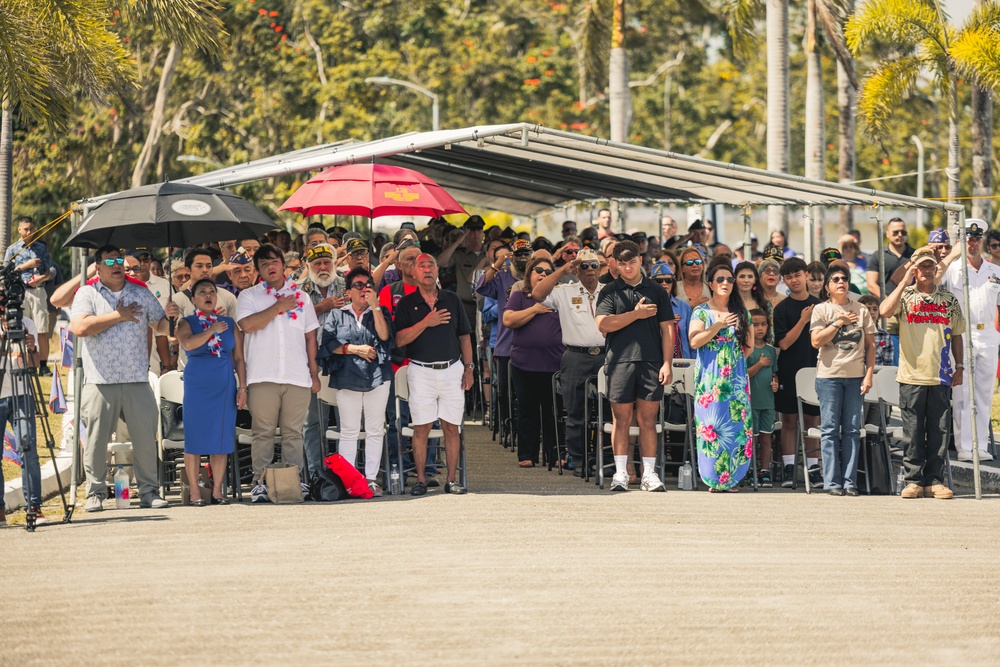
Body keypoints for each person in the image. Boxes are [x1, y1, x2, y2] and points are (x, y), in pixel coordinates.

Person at [70, 245, 179, 512]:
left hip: (136, 378)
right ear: (98, 266)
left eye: (120, 260)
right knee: (96, 442)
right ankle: (95, 492)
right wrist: (117, 316)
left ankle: (148, 492)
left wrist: (171, 317)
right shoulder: (88, 293)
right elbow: (80, 327)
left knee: (144, 438)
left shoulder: (140, 292)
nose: (117, 265)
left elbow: (162, 327)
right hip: (100, 380)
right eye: (110, 261)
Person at [236, 244, 321, 503]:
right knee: (262, 432)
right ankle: (260, 484)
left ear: (283, 264)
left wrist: (314, 373)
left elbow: (310, 337)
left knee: (293, 433)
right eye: (263, 264)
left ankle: (292, 482)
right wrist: (278, 308)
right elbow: (247, 325)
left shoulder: (303, 297)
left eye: (274, 261)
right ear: (259, 271)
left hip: (297, 375)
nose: (270, 266)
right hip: (263, 375)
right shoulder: (249, 296)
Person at [879, 247, 963, 499]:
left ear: (935, 268)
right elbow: (884, 311)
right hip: (911, 375)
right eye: (921, 267)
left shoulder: (948, 300)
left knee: (939, 431)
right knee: (913, 432)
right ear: (914, 269)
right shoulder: (905, 297)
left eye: (930, 266)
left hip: (940, 374)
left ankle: (934, 481)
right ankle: (913, 480)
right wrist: (904, 281)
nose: (926, 271)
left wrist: (959, 367)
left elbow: (957, 334)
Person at [595, 241, 674, 492]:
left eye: (632, 262)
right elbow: (603, 324)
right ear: (615, 264)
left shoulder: (657, 290)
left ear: (641, 260)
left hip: (651, 362)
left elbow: (667, 329)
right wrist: (635, 315)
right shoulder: (609, 290)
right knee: (621, 420)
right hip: (619, 362)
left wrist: (667, 363)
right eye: (622, 263)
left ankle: (649, 474)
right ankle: (620, 474)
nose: (628, 268)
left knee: (648, 420)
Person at [393, 254, 474, 496]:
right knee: (422, 427)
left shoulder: (452, 299)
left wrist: (469, 368)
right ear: (413, 273)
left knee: (452, 427)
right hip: (421, 371)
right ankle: (420, 480)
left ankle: (451, 480)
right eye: (422, 265)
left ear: (438, 271)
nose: (427, 269)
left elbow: (464, 336)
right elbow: (399, 340)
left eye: (431, 265)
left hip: (452, 370)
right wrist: (426, 322)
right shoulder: (406, 304)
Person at [318, 267, 393, 496]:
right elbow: (328, 345)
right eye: (358, 285)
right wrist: (355, 349)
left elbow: (384, 336)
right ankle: (347, 480)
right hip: (347, 377)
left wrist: (375, 307)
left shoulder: (380, 311)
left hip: (378, 377)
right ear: (348, 291)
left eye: (367, 285)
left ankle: (370, 479)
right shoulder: (338, 314)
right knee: (348, 430)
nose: (363, 289)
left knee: (374, 429)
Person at [532, 248, 606, 475]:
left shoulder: (610, 291)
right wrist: (562, 270)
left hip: (606, 355)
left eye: (594, 265)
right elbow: (537, 295)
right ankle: (580, 461)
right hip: (576, 356)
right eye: (584, 266)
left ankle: (608, 461)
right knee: (576, 413)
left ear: (600, 268)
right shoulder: (565, 290)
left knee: (612, 411)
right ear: (577, 270)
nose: (590, 270)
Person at [175, 279, 246, 505]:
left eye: (212, 292)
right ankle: (195, 491)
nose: (208, 295)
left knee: (221, 437)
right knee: (194, 438)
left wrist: (243, 387)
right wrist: (211, 330)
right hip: (197, 385)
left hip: (223, 384)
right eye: (202, 292)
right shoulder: (186, 322)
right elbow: (188, 344)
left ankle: (217, 490)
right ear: (193, 299)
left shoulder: (229, 322)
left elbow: (239, 358)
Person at [810, 264, 875, 496]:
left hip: (855, 377)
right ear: (827, 286)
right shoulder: (821, 310)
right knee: (829, 430)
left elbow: (870, 346)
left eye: (844, 278)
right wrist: (838, 322)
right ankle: (832, 482)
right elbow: (816, 341)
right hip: (828, 377)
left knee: (851, 430)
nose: (841, 282)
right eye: (835, 279)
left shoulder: (861, 310)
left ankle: (850, 482)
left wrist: (868, 374)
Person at [688, 262, 752, 492]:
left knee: (735, 427)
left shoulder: (741, 312)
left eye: (729, 280)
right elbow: (694, 341)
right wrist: (717, 326)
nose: (726, 283)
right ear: (711, 284)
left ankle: (732, 479)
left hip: (735, 379)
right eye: (720, 279)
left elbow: (749, 346)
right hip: (710, 379)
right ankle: (714, 478)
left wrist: (732, 362)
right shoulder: (701, 311)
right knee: (711, 427)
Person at [938, 218, 999, 462]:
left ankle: (980, 444)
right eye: (968, 239)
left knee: (984, 393)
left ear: (982, 240)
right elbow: (934, 279)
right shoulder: (952, 268)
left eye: (976, 239)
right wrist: (952, 255)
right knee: (962, 393)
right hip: (961, 334)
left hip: (988, 334)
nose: (972, 243)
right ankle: (963, 446)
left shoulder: (995, 271)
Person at [502, 256, 565, 468]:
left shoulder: (560, 297)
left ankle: (553, 455)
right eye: (539, 270)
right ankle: (527, 454)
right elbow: (509, 320)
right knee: (527, 410)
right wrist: (535, 309)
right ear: (529, 274)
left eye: (548, 272)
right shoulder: (520, 295)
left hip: (555, 365)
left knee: (552, 413)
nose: (543, 275)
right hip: (524, 364)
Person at [772, 257, 821, 489]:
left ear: (806, 275)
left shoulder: (820, 305)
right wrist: (803, 320)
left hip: (815, 368)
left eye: (797, 275)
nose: (794, 280)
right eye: (789, 277)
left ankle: (814, 467)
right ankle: (789, 467)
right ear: (785, 280)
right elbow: (783, 344)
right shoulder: (781, 308)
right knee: (789, 421)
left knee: (813, 420)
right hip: (790, 369)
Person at [0, 315, 46, 523]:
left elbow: (34, 364)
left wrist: (32, 348)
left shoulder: (25, 323)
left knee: (28, 449)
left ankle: (34, 505)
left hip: (22, 394)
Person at [4, 217, 55, 376]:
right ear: (19, 230)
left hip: (38, 290)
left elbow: (51, 270)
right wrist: (27, 265)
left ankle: (43, 364)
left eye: (31, 229)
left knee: (41, 328)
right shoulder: (13, 249)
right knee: (22, 328)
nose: (29, 232)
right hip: (20, 292)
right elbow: (6, 272)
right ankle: (26, 363)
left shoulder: (41, 248)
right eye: (25, 229)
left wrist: (42, 278)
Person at [746, 309, 778, 487]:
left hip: (768, 402)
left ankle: (764, 470)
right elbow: (744, 375)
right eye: (755, 324)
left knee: (767, 438)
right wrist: (759, 364)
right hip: (751, 402)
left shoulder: (771, 350)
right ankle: (751, 470)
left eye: (763, 324)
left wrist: (775, 383)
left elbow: (774, 374)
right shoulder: (746, 350)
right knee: (753, 438)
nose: (759, 328)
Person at [438, 216, 485, 327]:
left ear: (483, 233)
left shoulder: (488, 254)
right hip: (464, 307)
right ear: (467, 234)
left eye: (479, 230)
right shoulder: (460, 255)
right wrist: (458, 241)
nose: (476, 234)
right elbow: (440, 262)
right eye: (472, 230)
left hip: (484, 307)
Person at [651, 258, 691, 359]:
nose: (664, 283)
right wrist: (664, 320)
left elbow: (691, 340)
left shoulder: (684, 307)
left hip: (683, 362)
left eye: (668, 280)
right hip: (656, 362)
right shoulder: (646, 307)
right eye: (659, 281)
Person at [866, 217, 914, 299]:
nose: (900, 235)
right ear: (887, 234)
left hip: (911, 304)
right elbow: (871, 285)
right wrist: (888, 302)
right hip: (885, 305)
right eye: (895, 232)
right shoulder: (878, 256)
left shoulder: (915, 255)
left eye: (903, 232)